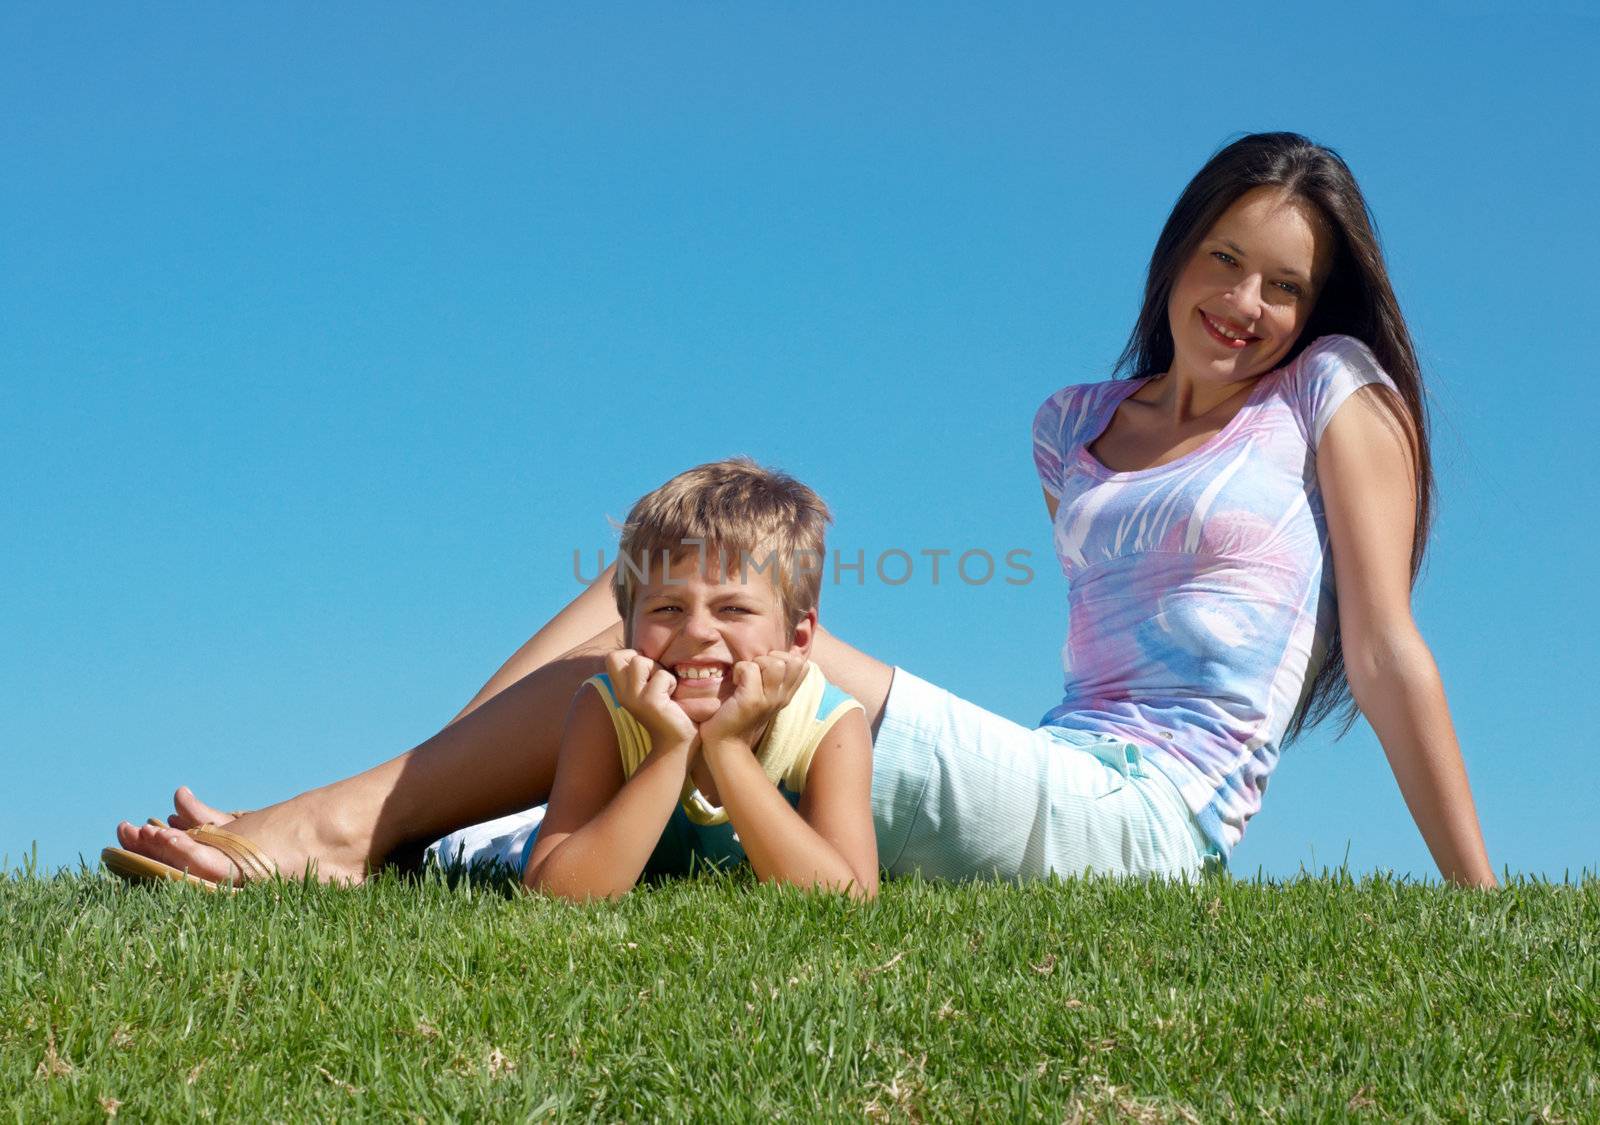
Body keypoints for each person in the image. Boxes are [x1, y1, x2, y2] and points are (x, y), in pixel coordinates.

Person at [104, 131, 1496, 889]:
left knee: (719, 636)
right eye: (1224, 258)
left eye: (1284, 287)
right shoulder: (1076, 425)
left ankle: (338, 831)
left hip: (1148, 820)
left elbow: (1384, 651)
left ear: (1317, 310)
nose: (1246, 306)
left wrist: (1478, 910)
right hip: (1051, 760)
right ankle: (408, 811)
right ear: (1178, 251)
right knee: (669, 581)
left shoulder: (1331, 394)